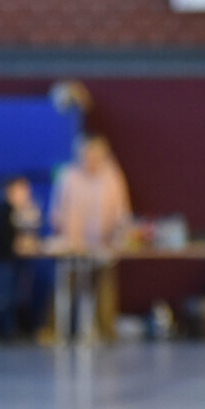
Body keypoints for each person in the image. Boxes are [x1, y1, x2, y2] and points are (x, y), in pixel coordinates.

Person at [49, 134, 132, 340]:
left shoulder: (112, 175)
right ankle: (55, 331)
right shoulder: (68, 175)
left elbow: (121, 211)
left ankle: (105, 331)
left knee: (104, 286)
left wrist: (119, 234)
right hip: (73, 244)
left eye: (95, 155)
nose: (90, 160)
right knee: (65, 285)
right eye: (86, 155)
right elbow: (57, 210)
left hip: (102, 243)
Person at [0, 176, 41, 340]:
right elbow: (1, 239)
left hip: (11, 260)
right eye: (21, 190)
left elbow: (29, 233)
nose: (25, 194)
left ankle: (8, 331)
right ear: (10, 192)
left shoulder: (20, 211)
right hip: (0, 260)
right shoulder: (1, 209)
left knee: (10, 296)